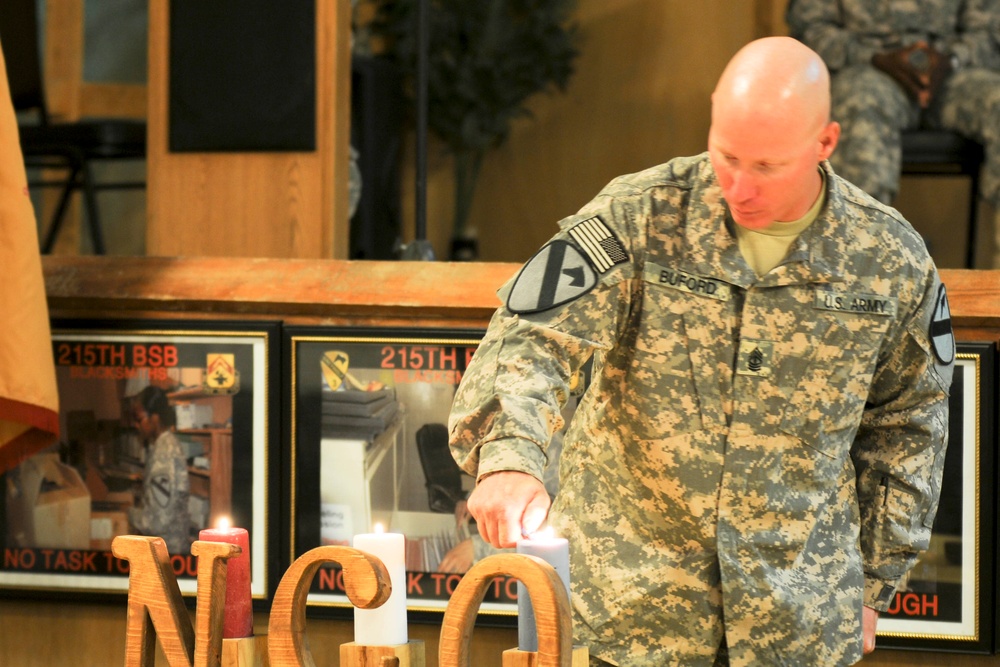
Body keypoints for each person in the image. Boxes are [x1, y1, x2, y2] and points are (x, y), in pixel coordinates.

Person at [448, 36, 954, 666]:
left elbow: (909, 426)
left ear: (825, 143)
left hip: (797, 621)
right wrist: (509, 457)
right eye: (726, 155)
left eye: (767, 167)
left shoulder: (889, 261)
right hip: (630, 616)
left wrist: (875, 585)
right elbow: (532, 337)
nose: (739, 187)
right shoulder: (635, 218)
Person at [786, 0, 1000, 266]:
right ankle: (859, 275)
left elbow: (990, 31)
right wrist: (873, 57)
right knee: (859, 104)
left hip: (953, 74)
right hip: (868, 71)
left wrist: (952, 59)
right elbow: (810, 29)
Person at [127, 385, 191, 554]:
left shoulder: (164, 453)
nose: (136, 425)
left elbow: (158, 522)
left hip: (168, 551)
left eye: (139, 419)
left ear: (155, 418)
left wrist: (129, 513)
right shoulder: (163, 445)